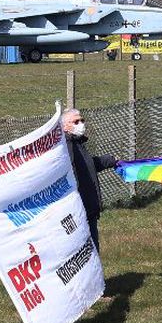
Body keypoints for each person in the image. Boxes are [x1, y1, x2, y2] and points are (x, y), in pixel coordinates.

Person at [62, 108, 117, 252]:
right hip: (79, 209)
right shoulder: (66, 146)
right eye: (76, 121)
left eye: (82, 120)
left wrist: (107, 161)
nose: (81, 123)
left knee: (93, 249)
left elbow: (85, 167)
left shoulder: (78, 143)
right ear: (64, 126)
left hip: (89, 207)